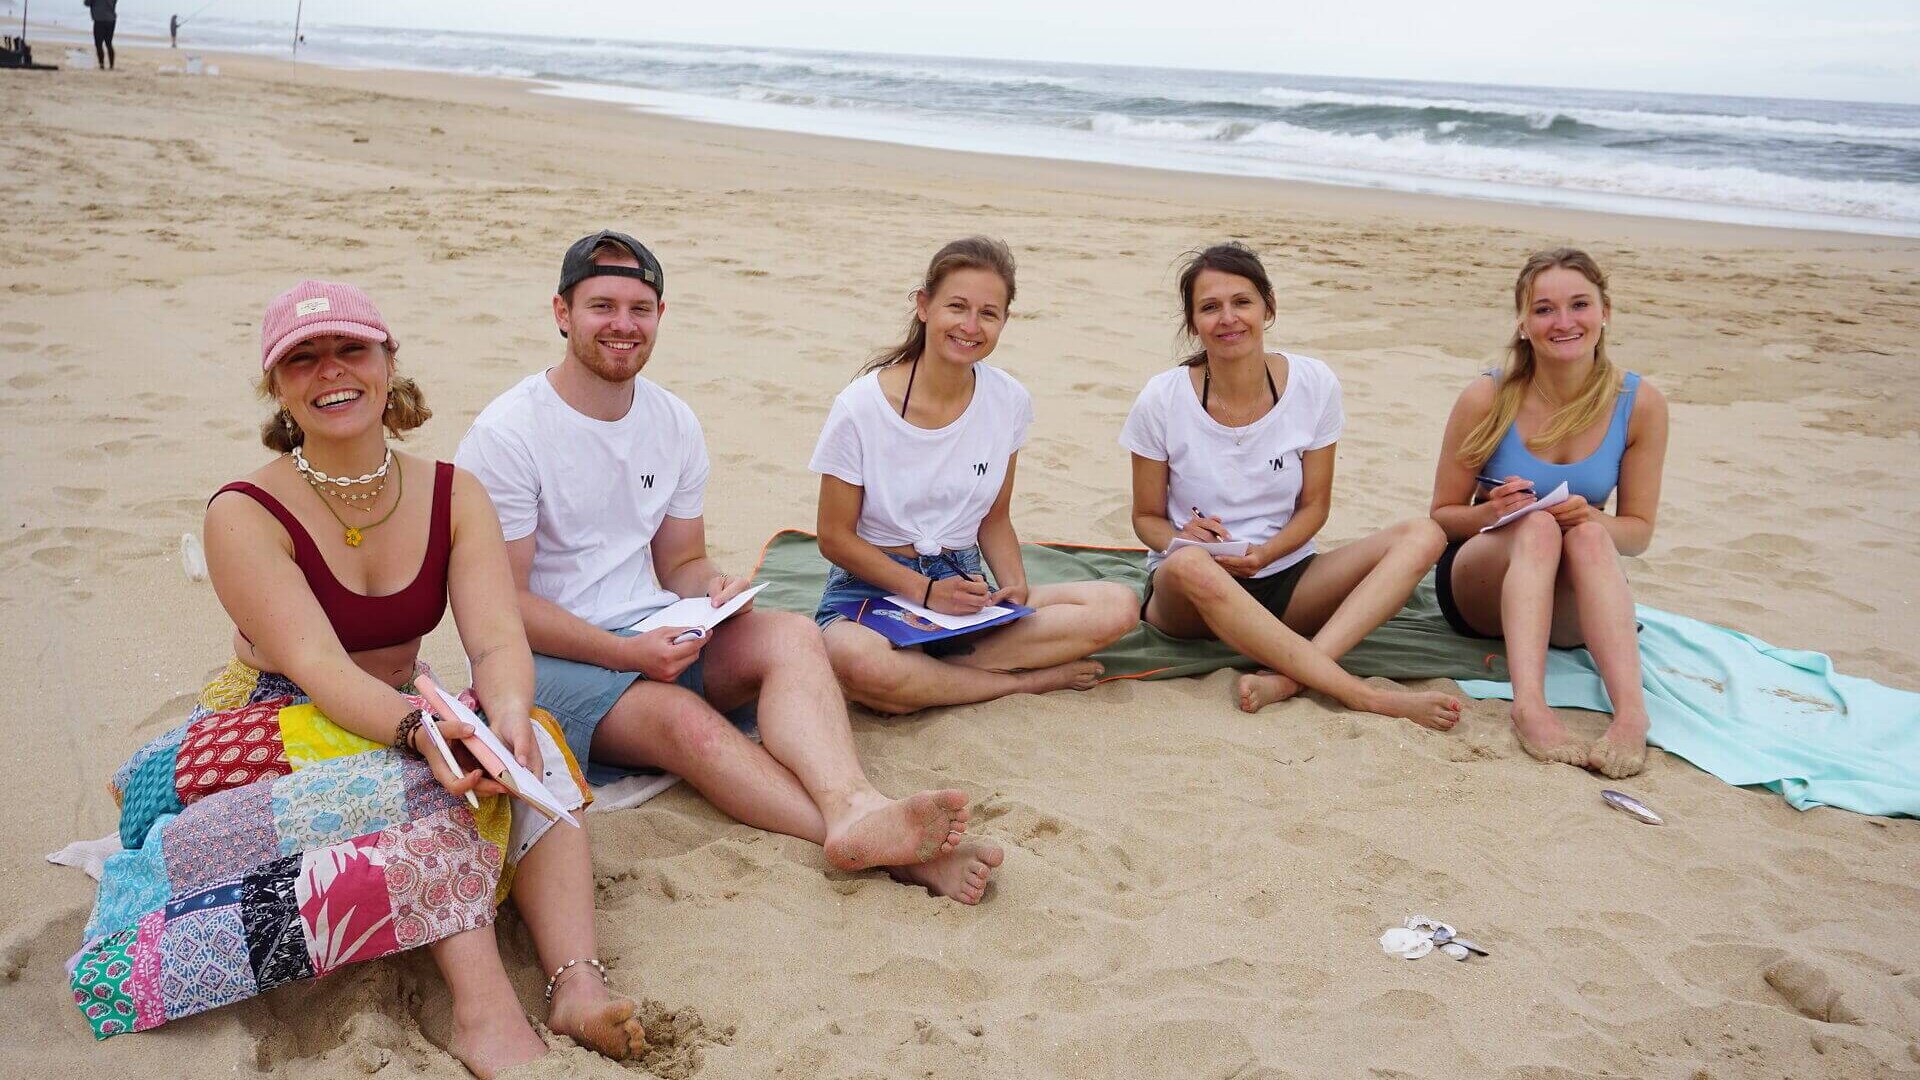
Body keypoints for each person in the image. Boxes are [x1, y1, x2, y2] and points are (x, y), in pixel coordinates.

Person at [73, 282, 649, 1077]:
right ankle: (483, 1014)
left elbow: (494, 639)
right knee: (427, 785)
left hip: (403, 699)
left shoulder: (454, 494)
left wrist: (508, 715)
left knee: (533, 750)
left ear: (387, 363)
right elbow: (317, 668)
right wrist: (422, 733)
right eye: (301, 358)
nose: (330, 372)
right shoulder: (243, 511)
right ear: (277, 386)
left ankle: (576, 982)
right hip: (273, 718)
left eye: (351, 349)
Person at [456, 231, 1000, 904]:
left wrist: (711, 592)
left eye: (640, 308)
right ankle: (890, 853)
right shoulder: (509, 434)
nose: (623, 325)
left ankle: (855, 805)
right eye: (602, 306)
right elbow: (505, 607)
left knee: (794, 635)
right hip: (545, 662)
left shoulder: (672, 420)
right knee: (683, 722)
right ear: (562, 313)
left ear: (659, 316)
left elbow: (679, 560)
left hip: (653, 632)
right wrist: (625, 653)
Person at [1121, 243, 1460, 729]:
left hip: (1286, 579)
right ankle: (1359, 694)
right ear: (1193, 322)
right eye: (1210, 307)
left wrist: (1266, 553)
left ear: (1268, 307)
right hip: (1190, 594)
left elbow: (1315, 507)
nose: (1228, 318)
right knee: (1189, 563)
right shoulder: (1162, 397)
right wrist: (1183, 539)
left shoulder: (1313, 383)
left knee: (1424, 534)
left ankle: (1290, 678)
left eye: (1242, 302)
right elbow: (1146, 518)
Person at [812, 237, 1137, 714]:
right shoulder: (861, 407)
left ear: (1004, 321)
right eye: (957, 307)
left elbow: (995, 518)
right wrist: (923, 591)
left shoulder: (1008, 401)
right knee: (858, 662)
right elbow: (834, 537)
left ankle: (929, 677)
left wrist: (1014, 587)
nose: (970, 326)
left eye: (988, 313)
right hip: (874, 586)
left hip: (963, 583)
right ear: (924, 307)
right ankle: (1021, 682)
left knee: (1120, 606)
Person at [1429, 248, 1668, 778]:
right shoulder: (1487, 398)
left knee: (1585, 536)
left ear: (1605, 313)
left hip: (1568, 597)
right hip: (1481, 581)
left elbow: (1637, 534)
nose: (1564, 323)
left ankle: (1631, 715)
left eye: (1579, 305)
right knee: (1537, 524)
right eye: (1544, 310)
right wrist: (1493, 510)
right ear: (1522, 324)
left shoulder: (1639, 403)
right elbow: (1442, 517)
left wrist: (1591, 517)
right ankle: (1529, 704)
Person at [84, 0, 115, 69]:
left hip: (99, 20)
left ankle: (101, 65)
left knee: (98, 44)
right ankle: (111, 65)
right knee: (108, 43)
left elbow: (87, 3)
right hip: (111, 19)